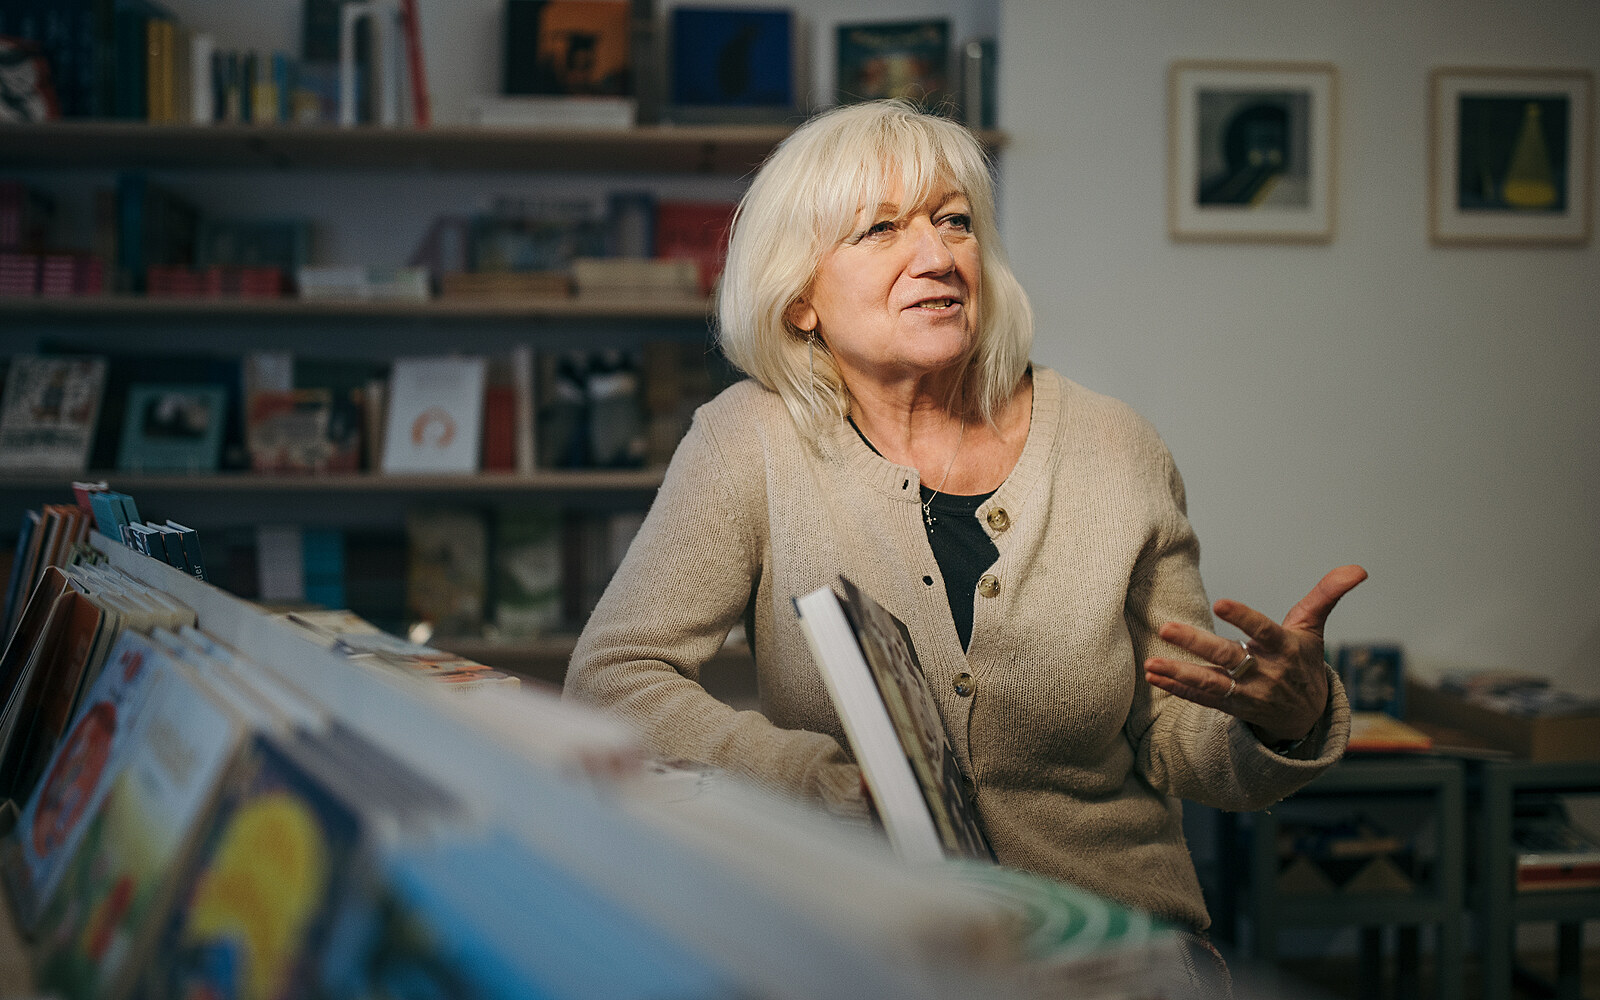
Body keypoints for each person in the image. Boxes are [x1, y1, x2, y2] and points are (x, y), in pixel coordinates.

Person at [564, 98, 1363, 962]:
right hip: (868, 941)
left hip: (1112, 947)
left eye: (955, 222)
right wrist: (815, 783)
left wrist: (1284, 722)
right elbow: (615, 677)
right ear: (799, 300)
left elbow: (1177, 735)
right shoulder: (748, 440)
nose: (938, 256)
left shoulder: (1114, 445)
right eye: (881, 229)